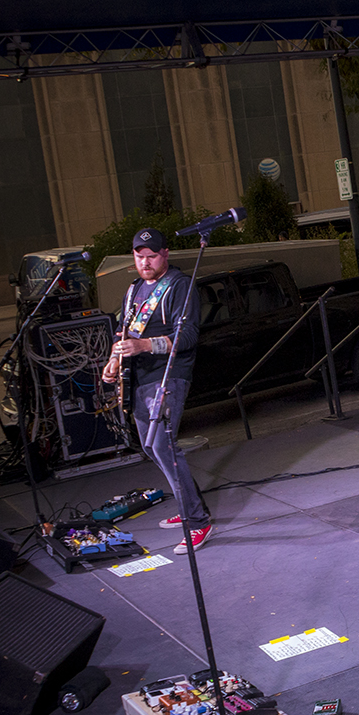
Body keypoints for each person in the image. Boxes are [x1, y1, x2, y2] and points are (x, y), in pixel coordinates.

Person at [101, 229, 212, 555]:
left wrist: (144, 345)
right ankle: (188, 503)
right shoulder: (134, 289)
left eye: (151, 256)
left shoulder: (179, 285)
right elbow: (124, 331)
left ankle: (198, 521)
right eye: (139, 257)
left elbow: (187, 336)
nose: (145, 262)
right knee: (152, 447)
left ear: (165, 254)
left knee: (164, 446)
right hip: (139, 377)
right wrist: (114, 359)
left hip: (169, 375)